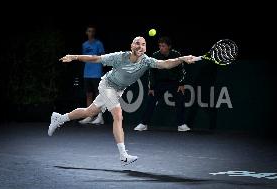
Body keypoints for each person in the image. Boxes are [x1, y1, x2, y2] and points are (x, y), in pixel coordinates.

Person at [48, 36, 196, 166]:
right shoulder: (119, 57)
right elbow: (95, 58)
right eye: (137, 43)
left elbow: (165, 64)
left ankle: (59, 118)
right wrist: (73, 57)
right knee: (118, 114)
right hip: (107, 85)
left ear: (145, 48)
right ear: (131, 46)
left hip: (118, 90)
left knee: (90, 111)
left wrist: (181, 59)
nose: (140, 46)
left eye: (143, 44)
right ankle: (123, 155)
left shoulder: (146, 61)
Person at [134, 37, 190, 132]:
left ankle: (181, 125)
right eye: (160, 46)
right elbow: (152, 72)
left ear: (169, 47)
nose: (161, 48)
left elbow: (182, 71)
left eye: (163, 46)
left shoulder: (176, 55)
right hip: (160, 83)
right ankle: (143, 123)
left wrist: (181, 84)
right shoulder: (155, 55)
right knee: (151, 101)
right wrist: (152, 87)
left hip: (174, 83)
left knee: (180, 101)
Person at [79, 25, 105, 125]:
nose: (91, 33)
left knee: (98, 95)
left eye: (92, 31)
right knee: (88, 95)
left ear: (94, 33)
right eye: (89, 31)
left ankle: (100, 117)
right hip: (87, 74)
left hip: (97, 73)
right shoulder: (84, 45)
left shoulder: (99, 44)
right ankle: (89, 116)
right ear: (86, 33)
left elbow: (103, 57)